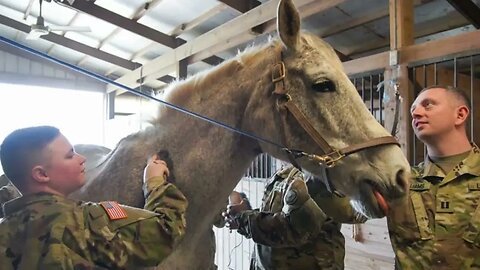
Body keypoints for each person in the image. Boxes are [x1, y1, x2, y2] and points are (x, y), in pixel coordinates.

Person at [0, 125, 188, 269]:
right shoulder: (87, 222)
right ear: (41, 175)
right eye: (69, 155)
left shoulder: (4, 232)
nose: (81, 158)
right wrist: (155, 182)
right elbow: (166, 231)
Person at [387, 85, 480, 269]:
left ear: (460, 115)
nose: (416, 113)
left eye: (427, 105)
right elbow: (349, 213)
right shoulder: (401, 180)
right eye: (413, 109)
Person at [223, 165, 367, 270]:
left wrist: (243, 220)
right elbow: (276, 212)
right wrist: (243, 214)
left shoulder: (319, 176)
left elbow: (291, 229)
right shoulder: (288, 170)